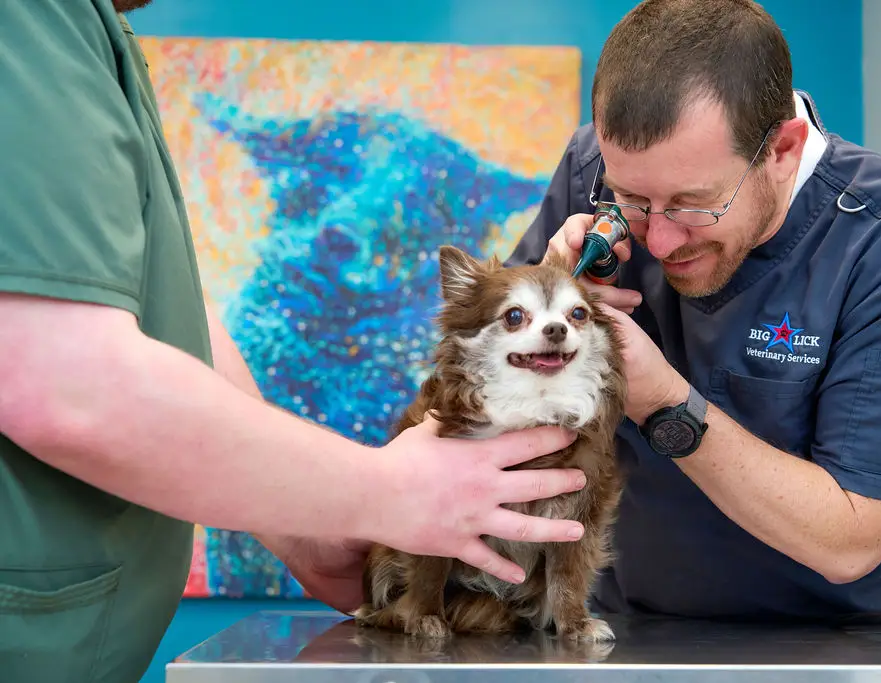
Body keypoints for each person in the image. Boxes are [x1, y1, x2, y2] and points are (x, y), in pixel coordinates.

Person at [0, 2, 587, 681]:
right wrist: (383, 491)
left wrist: (306, 536)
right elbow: (68, 384)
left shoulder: (97, 34)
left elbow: (158, 314)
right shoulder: (29, 20)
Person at [507, 0, 881, 620]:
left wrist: (661, 401)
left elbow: (852, 539)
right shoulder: (592, 171)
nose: (658, 241)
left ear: (783, 149)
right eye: (634, 200)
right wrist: (547, 298)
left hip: (825, 644)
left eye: (692, 205)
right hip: (616, 625)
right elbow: (493, 380)